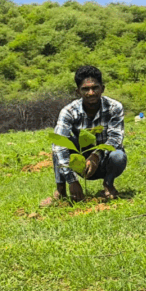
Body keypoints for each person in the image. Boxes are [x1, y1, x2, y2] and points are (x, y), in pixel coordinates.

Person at [43, 66, 126, 205]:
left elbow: (116, 138)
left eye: (95, 88)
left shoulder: (114, 107)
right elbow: (59, 143)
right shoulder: (69, 111)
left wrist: (97, 155)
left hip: (104, 160)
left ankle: (108, 184)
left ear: (103, 88)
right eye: (85, 89)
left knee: (118, 155)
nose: (91, 93)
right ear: (78, 91)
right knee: (59, 145)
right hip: (80, 160)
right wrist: (72, 181)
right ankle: (61, 191)